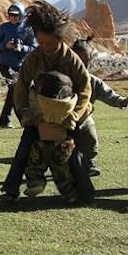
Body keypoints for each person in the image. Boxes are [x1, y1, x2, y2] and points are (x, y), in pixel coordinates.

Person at [0, 0, 93, 203]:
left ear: (61, 39)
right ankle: (10, 191)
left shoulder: (72, 60)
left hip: (66, 115)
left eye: (49, 43)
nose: (45, 47)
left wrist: (74, 115)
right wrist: (25, 113)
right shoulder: (34, 58)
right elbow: (21, 87)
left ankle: (84, 194)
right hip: (39, 115)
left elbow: (85, 89)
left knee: (72, 151)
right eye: (41, 43)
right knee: (24, 148)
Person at [71, 37, 128, 177]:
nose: (82, 64)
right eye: (79, 60)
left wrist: (120, 101)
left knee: (90, 139)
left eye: (86, 61)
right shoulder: (64, 78)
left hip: (85, 119)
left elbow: (107, 94)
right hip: (65, 118)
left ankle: (90, 162)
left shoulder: (92, 81)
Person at [23, 71, 78, 203]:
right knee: (62, 174)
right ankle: (70, 194)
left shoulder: (40, 106)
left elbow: (30, 106)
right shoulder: (68, 106)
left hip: (42, 143)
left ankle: (36, 183)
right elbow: (78, 116)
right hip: (63, 145)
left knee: (34, 167)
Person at [0, 1, 36, 128]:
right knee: (14, 89)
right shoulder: (3, 27)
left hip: (20, 65)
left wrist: (22, 48)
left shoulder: (28, 29)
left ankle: (5, 120)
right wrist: (5, 45)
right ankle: (21, 120)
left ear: (21, 15)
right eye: (11, 14)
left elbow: (33, 47)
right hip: (5, 64)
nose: (13, 17)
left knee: (15, 91)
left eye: (16, 15)